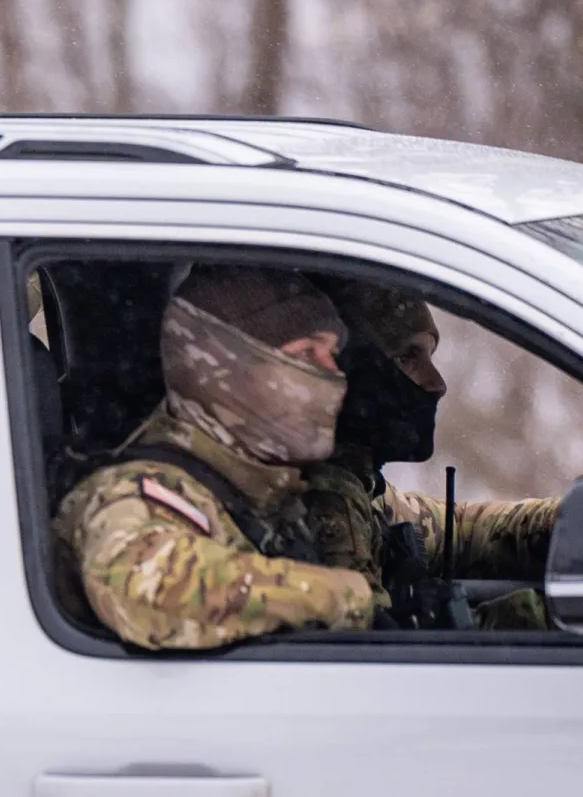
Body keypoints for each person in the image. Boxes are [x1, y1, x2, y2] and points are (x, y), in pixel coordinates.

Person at [53, 264, 376, 650]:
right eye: (307, 353)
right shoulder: (137, 490)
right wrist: (341, 598)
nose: (333, 373)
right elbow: (142, 585)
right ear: (226, 367)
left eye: (333, 354)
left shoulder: (263, 486)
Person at [306, 278, 559, 629]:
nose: (437, 383)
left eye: (429, 356)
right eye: (408, 358)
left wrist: (568, 518)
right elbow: (383, 656)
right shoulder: (324, 501)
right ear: (355, 369)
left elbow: (462, 530)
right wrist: (560, 618)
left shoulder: (358, 484)